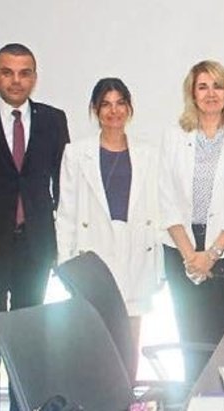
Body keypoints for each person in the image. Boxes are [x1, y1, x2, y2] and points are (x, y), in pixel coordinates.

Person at [159, 60, 224, 381]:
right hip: (181, 250)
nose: (211, 93)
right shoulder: (173, 138)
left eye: (218, 86)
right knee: (189, 340)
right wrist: (191, 255)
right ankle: (192, 398)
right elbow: (167, 199)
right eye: (203, 86)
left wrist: (211, 254)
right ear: (192, 94)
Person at [56, 78, 162, 380]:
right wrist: (67, 266)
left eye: (120, 103)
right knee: (94, 342)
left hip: (135, 252)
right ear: (95, 109)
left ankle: (127, 397)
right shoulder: (76, 153)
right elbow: (66, 213)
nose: (114, 111)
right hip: (93, 253)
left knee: (130, 342)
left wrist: (159, 268)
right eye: (106, 104)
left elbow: (157, 211)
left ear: (129, 108)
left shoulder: (149, 153)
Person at [0, 43, 69, 313]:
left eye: (24, 73)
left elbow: (64, 184)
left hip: (36, 245)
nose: (16, 81)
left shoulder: (53, 120)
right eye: (7, 72)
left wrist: (62, 242)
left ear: (34, 78)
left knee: (29, 324)